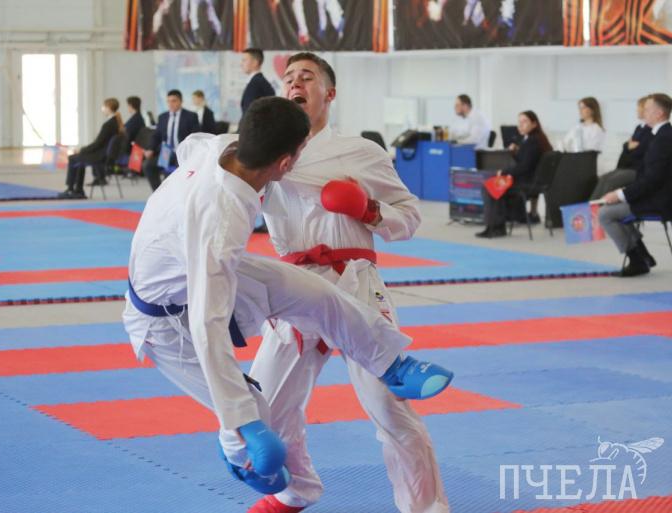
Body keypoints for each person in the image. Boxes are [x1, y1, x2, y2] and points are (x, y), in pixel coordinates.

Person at [124, 97, 453, 497]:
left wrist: (365, 207)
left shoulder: (222, 146)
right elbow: (207, 325)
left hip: (189, 265)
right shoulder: (221, 223)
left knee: (316, 293)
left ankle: (391, 364)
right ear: (285, 162)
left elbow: (189, 145)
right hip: (163, 321)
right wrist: (245, 422)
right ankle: (241, 456)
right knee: (256, 413)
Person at [248, 53, 450, 513]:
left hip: (353, 281)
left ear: (329, 94)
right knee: (262, 407)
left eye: (307, 77)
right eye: (289, 78)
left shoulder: (361, 152)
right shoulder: (263, 153)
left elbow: (409, 216)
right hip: (294, 285)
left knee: (388, 404)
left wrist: (367, 209)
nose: (296, 83)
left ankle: (426, 507)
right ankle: (295, 490)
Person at [599, 93, 672, 277]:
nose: (643, 113)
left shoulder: (663, 139)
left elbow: (652, 179)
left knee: (605, 214)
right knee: (614, 208)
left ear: (659, 113)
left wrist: (621, 194)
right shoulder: (661, 135)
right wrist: (623, 193)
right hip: (655, 194)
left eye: (647, 109)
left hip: (660, 200)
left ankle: (638, 260)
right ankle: (642, 256)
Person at [476, 110, 552, 238]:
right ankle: (498, 225)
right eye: (519, 122)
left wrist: (503, 172)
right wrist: (516, 152)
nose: (520, 125)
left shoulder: (532, 142)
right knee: (493, 183)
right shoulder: (536, 139)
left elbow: (524, 167)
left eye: (524, 121)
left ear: (534, 124)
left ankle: (495, 227)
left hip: (525, 183)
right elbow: (526, 162)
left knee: (488, 187)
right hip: (534, 182)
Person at [58, 98, 123, 198]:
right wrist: (83, 151)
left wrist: (82, 150)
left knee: (72, 158)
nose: (102, 108)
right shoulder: (115, 122)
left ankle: (71, 189)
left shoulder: (108, 125)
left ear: (109, 107)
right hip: (105, 155)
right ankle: (78, 190)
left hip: (100, 156)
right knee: (79, 158)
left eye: (104, 106)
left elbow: (97, 144)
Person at [591, 96, 653, 200]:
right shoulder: (639, 128)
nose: (637, 110)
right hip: (626, 166)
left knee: (611, 181)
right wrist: (628, 146)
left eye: (639, 107)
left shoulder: (651, 130)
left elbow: (639, 151)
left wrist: (629, 147)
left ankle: (600, 207)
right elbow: (627, 146)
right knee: (604, 178)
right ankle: (590, 205)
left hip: (636, 169)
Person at [143, 89, 200, 191]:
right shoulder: (163, 117)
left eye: (174, 101)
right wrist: (150, 148)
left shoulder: (191, 116)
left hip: (182, 152)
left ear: (181, 101)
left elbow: (196, 137)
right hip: (166, 153)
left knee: (176, 172)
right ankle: (159, 193)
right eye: (168, 101)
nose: (170, 104)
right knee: (148, 165)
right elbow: (156, 136)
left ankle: (178, 194)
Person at [241, 48, 275, 115]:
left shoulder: (256, 83)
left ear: (255, 63)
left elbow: (249, 113)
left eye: (244, 60)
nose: (241, 64)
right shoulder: (259, 82)